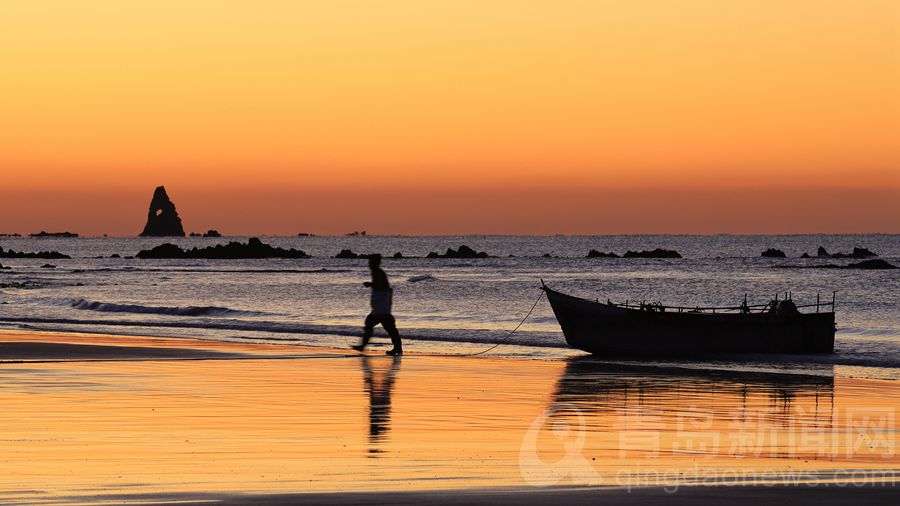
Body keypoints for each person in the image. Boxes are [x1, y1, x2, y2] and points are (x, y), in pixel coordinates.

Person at [352, 254, 403, 355]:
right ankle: (397, 348)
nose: (369, 264)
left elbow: (381, 286)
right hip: (381, 303)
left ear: (374, 263)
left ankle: (363, 346)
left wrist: (370, 284)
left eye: (370, 262)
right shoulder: (377, 272)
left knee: (375, 323)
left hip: (381, 303)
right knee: (388, 326)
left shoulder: (378, 272)